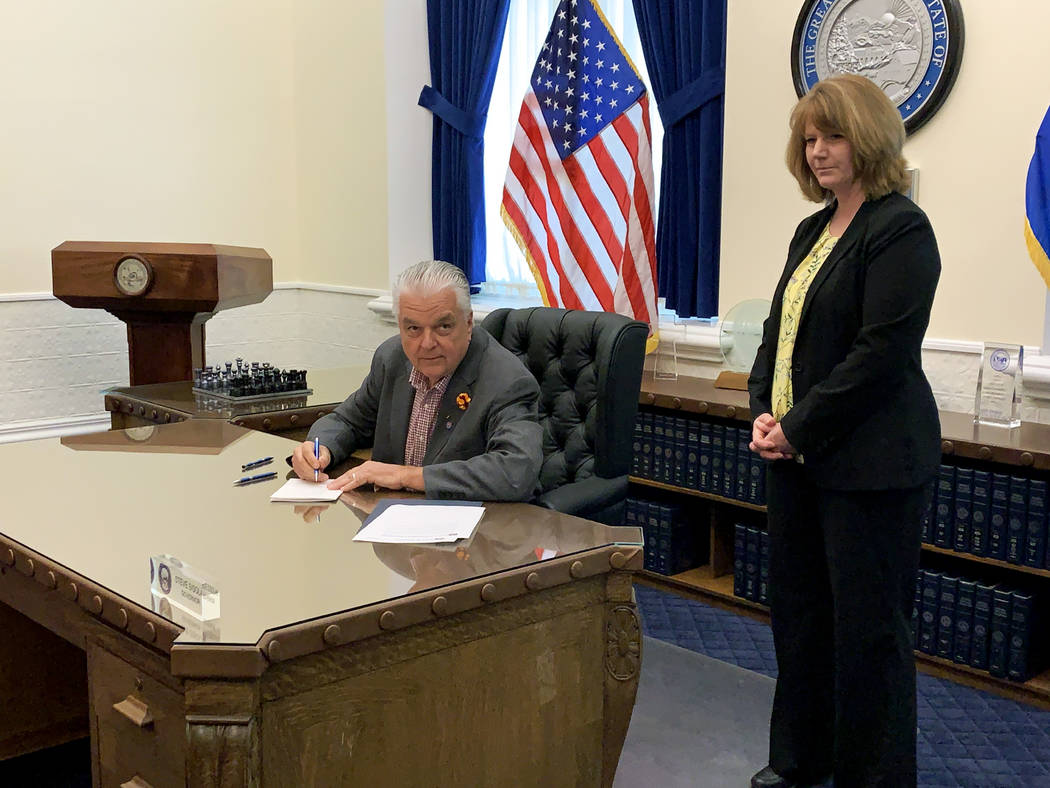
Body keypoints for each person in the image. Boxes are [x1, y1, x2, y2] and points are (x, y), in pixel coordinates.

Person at [747, 74, 941, 788]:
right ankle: (801, 758)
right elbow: (780, 333)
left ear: (867, 137)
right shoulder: (811, 228)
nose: (818, 150)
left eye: (831, 135)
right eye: (808, 138)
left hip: (873, 467)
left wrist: (796, 427)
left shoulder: (901, 228)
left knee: (869, 634)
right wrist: (764, 411)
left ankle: (873, 777)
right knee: (799, 618)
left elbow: (879, 356)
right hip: (798, 461)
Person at [291, 259, 543, 501]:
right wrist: (320, 449)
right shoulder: (391, 359)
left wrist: (407, 476)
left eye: (443, 327)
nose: (427, 344)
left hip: (473, 530)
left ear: (468, 324)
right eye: (413, 329)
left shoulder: (506, 381)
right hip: (391, 519)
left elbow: (516, 471)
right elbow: (347, 421)